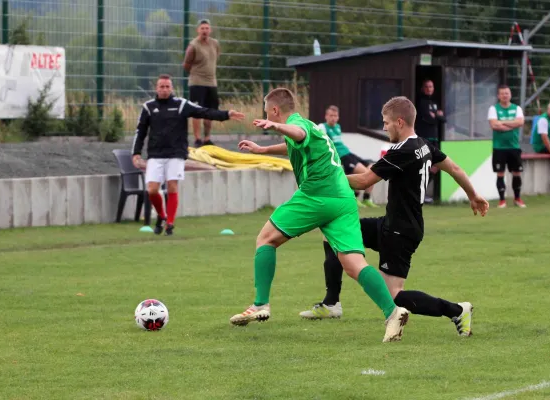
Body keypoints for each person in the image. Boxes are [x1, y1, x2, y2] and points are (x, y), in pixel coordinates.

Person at [299, 96, 489, 339]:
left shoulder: (402, 151)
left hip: (401, 231)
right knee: (333, 235)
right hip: (391, 224)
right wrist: (473, 195)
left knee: (394, 295)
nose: (384, 127)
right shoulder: (424, 144)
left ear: (399, 122)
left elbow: (366, 180)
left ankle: (457, 310)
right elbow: (455, 169)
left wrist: (325, 179)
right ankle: (332, 303)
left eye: (386, 122)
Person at [230, 88, 409, 343]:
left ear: (274, 110)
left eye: (267, 112)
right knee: (354, 264)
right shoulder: (312, 126)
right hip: (343, 199)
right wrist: (263, 150)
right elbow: (297, 142)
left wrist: (275, 127)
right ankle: (393, 313)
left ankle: (260, 304)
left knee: (266, 239)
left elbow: (297, 133)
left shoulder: (296, 124)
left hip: (318, 195)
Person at [132, 74, 244, 235]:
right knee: (152, 190)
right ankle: (162, 216)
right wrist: (136, 153)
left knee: (172, 186)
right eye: (161, 86)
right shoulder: (148, 107)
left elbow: (203, 112)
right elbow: (140, 131)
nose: (164, 89)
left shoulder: (181, 105)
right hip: (155, 154)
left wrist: (226, 114)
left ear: (172, 88)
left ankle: (170, 223)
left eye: (167, 87)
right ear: (156, 88)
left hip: (176, 153)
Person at [318, 105, 377, 208]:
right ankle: (354, 198)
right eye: (331, 115)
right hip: (342, 157)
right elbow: (319, 143)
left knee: (373, 169)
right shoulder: (322, 127)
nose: (333, 118)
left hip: (348, 153)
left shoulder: (338, 127)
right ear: (326, 116)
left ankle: (367, 198)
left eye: (335, 116)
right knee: (365, 173)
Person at [182, 19, 221, 147]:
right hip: (197, 82)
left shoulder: (215, 44)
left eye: (207, 28)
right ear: (198, 30)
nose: (205, 31)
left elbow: (215, 58)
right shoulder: (193, 45)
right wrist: (195, 74)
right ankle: (198, 139)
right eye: (202, 28)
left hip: (212, 82)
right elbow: (186, 64)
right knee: (197, 111)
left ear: (210, 30)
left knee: (210, 111)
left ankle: (207, 138)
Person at [488, 84, 526, 208]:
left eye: (507, 93)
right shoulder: (494, 109)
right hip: (499, 147)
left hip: (514, 146)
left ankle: (517, 199)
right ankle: (502, 200)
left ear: (510, 94)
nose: (505, 95)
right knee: (500, 173)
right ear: (498, 95)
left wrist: (502, 122)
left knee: (517, 173)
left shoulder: (517, 108)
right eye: (502, 93)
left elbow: (520, 122)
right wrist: (512, 124)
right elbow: (494, 125)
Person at [415, 79, 446, 203]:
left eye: (431, 86)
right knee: (424, 165)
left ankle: (421, 192)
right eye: (426, 86)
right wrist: (436, 116)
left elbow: (443, 119)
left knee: (435, 166)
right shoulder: (421, 102)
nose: (429, 88)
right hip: (424, 138)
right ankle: (418, 193)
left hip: (435, 139)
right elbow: (429, 118)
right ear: (422, 88)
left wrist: (436, 116)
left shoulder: (434, 102)